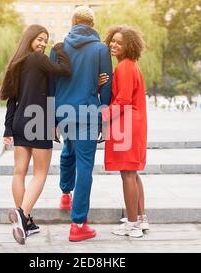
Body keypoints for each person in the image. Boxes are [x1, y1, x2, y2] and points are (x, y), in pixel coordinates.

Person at [0, 24, 72, 245]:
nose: (43, 43)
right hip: (38, 119)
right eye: (40, 39)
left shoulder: (17, 62)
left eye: (46, 40)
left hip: (21, 121)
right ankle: (22, 214)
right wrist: (60, 48)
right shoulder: (38, 59)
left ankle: (26, 221)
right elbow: (65, 70)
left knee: (19, 171)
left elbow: (11, 99)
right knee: (40, 173)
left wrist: (8, 127)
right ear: (30, 39)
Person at [49, 6, 113, 242]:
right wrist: (104, 120)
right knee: (85, 165)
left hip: (63, 111)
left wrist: (51, 120)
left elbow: (51, 85)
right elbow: (106, 85)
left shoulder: (57, 48)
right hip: (88, 111)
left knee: (69, 149)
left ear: (73, 22)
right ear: (92, 24)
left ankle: (65, 193)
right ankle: (78, 224)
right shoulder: (100, 49)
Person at [101, 25, 149, 238]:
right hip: (134, 123)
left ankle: (132, 225)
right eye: (113, 40)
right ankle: (140, 218)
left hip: (127, 124)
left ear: (129, 46)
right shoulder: (129, 66)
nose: (114, 44)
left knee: (128, 174)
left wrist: (101, 117)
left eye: (119, 42)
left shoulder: (125, 67)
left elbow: (123, 100)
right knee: (133, 173)